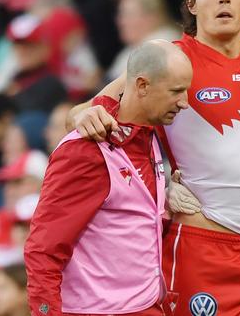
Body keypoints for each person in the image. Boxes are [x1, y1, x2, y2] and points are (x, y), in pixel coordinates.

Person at [69, 0, 240, 315]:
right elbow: (83, 112)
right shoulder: (174, 58)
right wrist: (161, 180)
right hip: (202, 246)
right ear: (192, 4)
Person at [24, 40, 192, 316]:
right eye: (176, 91)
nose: (184, 102)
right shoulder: (86, 149)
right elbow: (44, 248)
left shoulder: (149, 134)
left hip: (145, 305)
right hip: (97, 310)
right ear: (141, 86)